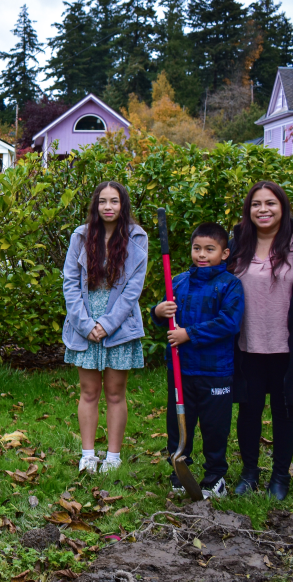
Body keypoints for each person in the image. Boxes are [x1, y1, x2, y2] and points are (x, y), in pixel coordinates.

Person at [228, 181, 293, 500]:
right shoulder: (238, 244)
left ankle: (279, 478)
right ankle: (249, 474)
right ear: (249, 211)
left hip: (287, 350)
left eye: (271, 203)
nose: (264, 209)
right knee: (248, 412)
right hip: (247, 347)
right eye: (256, 204)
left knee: (284, 412)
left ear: (282, 207)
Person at [152, 223, 244, 498]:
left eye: (209, 249)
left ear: (224, 253)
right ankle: (180, 469)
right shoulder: (178, 282)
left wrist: (189, 334)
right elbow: (163, 320)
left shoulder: (230, 285)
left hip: (215, 371)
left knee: (215, 425)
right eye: (196, 248)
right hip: (181, 369)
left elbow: (229, 322)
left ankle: (216, 475)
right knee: (179, 421)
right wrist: (158, 311)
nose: (201, 255)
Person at [62, 181, 147, 474]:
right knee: (88, 391)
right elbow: (70, 283)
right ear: (95, 205)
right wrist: (86, 325)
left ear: (123, 205)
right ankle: (88, 455)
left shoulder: (137, 238)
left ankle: (112, 457)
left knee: (115, 392)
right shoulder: (81, 237)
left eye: (114, 201)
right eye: (102, 201)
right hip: (83, 322)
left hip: (119, 325)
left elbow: (133, 290)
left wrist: (107, 325)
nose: (108, 207)